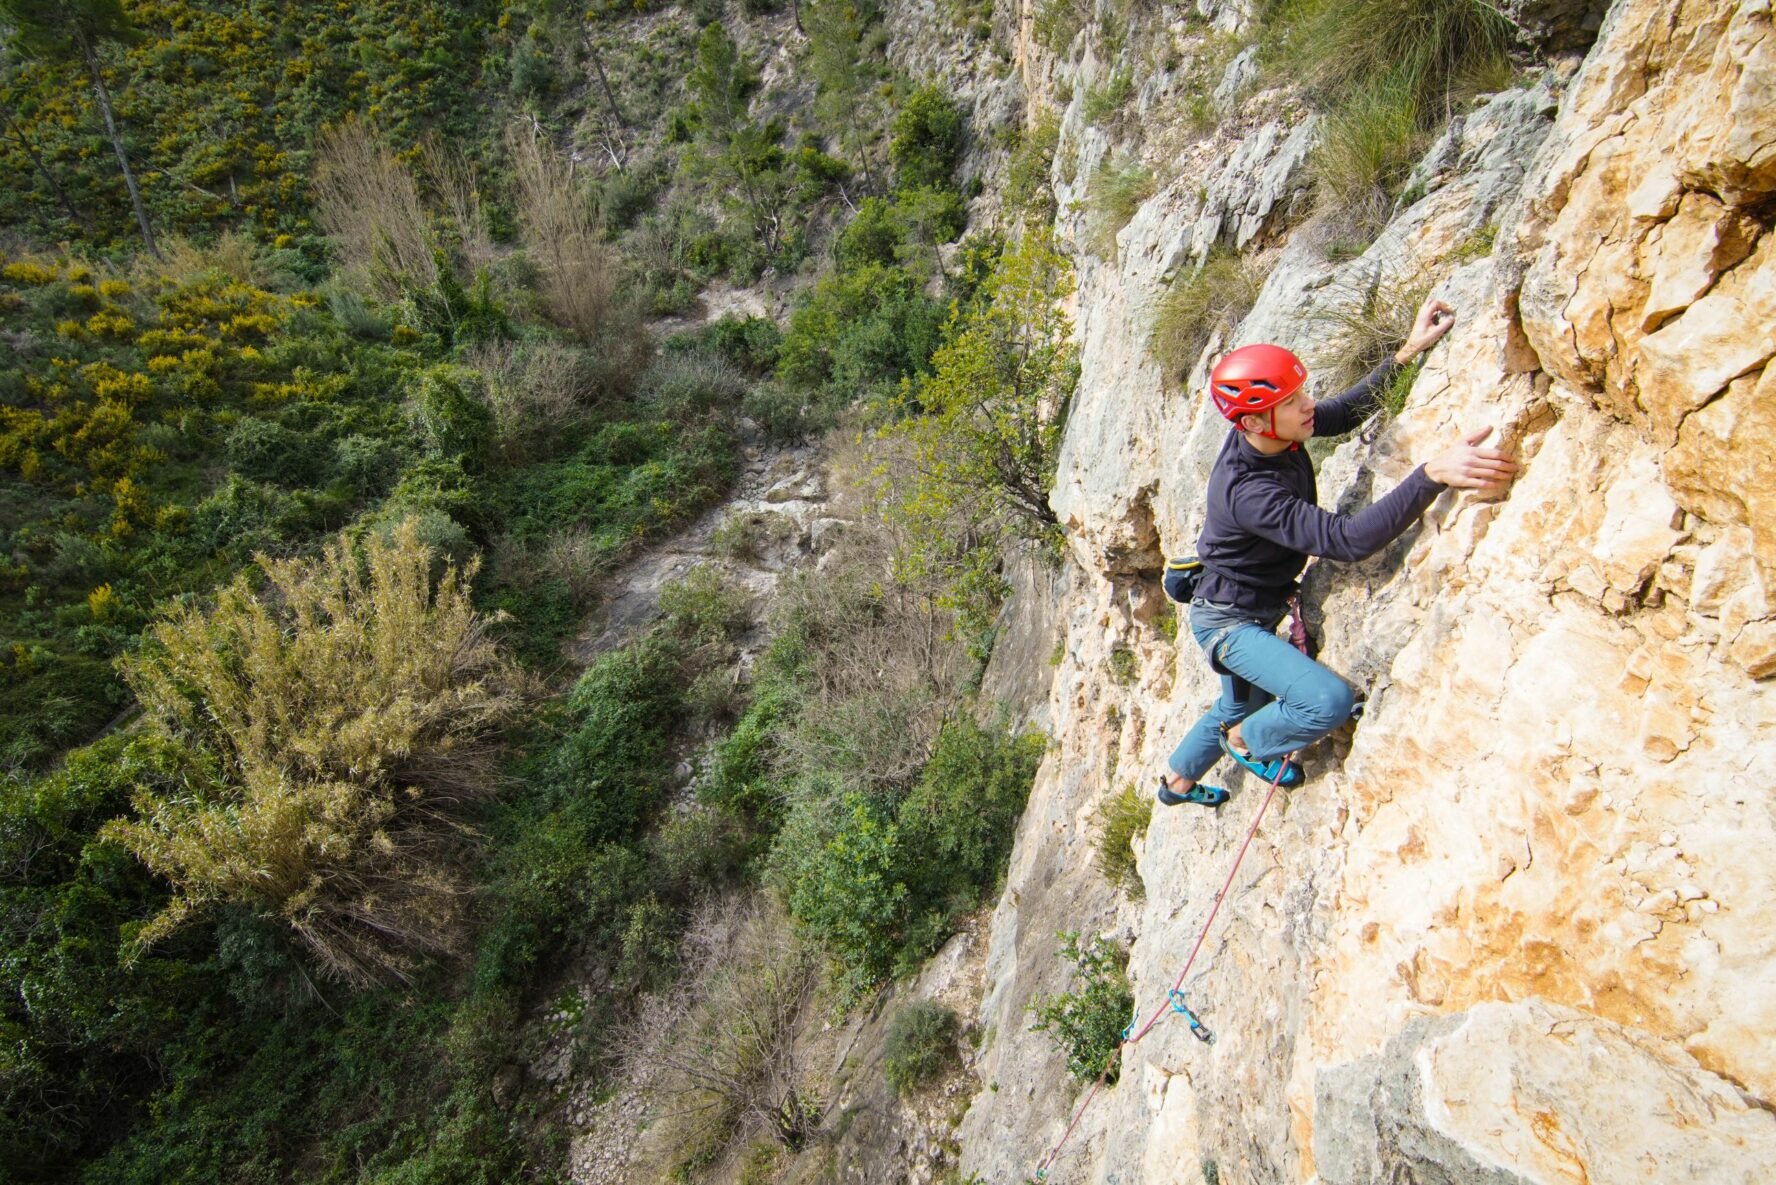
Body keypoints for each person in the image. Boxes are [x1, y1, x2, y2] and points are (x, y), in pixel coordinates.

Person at [1159, 299, 1518, 807]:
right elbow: (1346, 540)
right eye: (1292, 401)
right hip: (1229, 623)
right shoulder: (1249, 489)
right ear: (1257, 423)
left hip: (1243, 609)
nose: (1307, 404)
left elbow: (1341, 413)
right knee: (1325, 702)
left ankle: (1176, 782)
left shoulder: (1272, 435)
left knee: (1239, 701)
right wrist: (1431, 475)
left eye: (1301, 392)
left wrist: (1407, 352)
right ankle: (1245, 744)